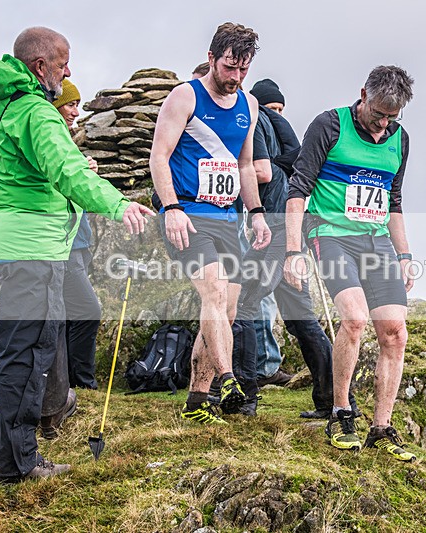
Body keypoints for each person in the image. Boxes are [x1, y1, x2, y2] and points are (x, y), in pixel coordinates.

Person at [0, 26, 153, 483]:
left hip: (3, 242)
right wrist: (117, 203)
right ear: (40, 67)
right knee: (26, 354)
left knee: (34, 345)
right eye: (62, 62)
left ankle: (51, 410)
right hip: (31, 249)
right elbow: (68, 172)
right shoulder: (37, 112)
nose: (67, 70)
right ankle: (19, 464)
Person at [284, 66, 416, 460]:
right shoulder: (329, 125)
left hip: (375, 240)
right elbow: (298, 189)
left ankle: (382, 427)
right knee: (355, 319)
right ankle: (340, 412)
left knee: (394, 331)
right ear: (363, 95)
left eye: (392, 117)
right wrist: (293, 252)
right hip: (331, 234)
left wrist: (405, 255)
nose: (383, 124)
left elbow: (393, 200)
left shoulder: (399, 139)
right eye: (378, 113)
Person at [150, 22, 271, 425]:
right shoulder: (185, 96)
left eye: (243, 70)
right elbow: (159, 156)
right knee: (214, 293)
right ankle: (229, 379)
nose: (235, 77)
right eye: (228, 67)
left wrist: (256, 215)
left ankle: (197, 400)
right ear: (211, 59)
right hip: (188, 215)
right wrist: (171, 209)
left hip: (227, 219)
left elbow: (243, 165)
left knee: (226, 311)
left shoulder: (250, 105)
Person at [224, 78, 353, 418]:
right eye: (274, 106)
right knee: (301, 319)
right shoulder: (280, 128)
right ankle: (332, 401)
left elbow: (262, 172)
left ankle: (245, 398)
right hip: (289, 228)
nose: (276, 112)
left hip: (276, 225)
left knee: (246, 303)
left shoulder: (254, 119)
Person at [53, 78, 102, 395]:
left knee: (72, 315)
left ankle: (69, 382)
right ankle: (81, 382)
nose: (76, 111)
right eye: (71, 104)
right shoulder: (51, 140)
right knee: (88, 311)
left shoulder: (68, 142)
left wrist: (87, 174)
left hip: (80, 243)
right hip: (64, 245)